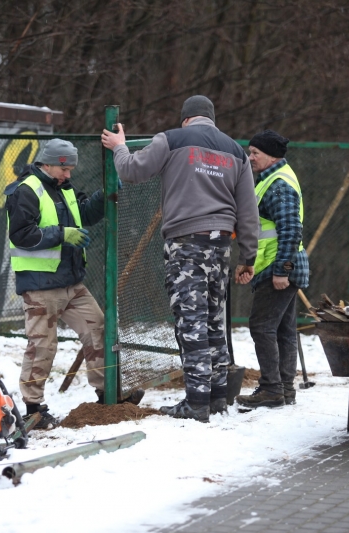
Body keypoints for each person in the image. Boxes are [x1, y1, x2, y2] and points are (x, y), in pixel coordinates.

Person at [101, 95, 259, 423]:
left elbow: (132, 171)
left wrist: (119, 146)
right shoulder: (236, 151)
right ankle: (216, 398)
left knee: (192, 322)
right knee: (214, 319)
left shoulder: (171, 139)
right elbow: (248, 210)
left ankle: (197, 402)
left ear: (186, 118)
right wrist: (248, 256)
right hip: (220, 246)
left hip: (186, 244)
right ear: (211, 119)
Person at [4, 139, 142, 429]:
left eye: (70, 169)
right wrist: (61, 234)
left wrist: (106, 195)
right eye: (64, 169)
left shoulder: (61, 188)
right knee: (42, 346)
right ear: (47, 163)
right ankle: (33, 411)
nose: (68, 175)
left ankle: (109, 394)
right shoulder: (26, 190)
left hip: (71, 282)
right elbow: (21, 234)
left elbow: (85, 213)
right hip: (41, 285)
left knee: (98, 330)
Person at [235, 130, 309, 409]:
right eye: (250, 151)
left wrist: (282, 270)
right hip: (273, 265)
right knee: (283, 329)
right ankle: (284, 388)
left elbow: (291, 229)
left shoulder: (278, 184)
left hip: (280, 268)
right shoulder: (271, 179)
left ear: (271, 155)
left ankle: (271, 389)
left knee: (262, 326)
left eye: (255, 153)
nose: (250, 157)